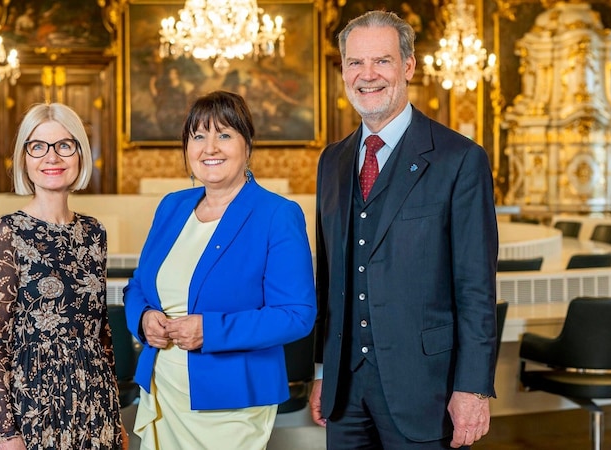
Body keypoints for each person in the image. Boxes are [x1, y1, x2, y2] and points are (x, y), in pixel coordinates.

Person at [310, 10, 499, 450]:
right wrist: (323, 370)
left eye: (382, 61)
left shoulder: (459, 158)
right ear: (343, 70)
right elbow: (330, 280)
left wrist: (472, 389)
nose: (367, 75)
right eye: (355, 63)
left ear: (408, 66)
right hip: (345, 392)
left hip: (425, 388)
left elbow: (476, 286)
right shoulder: (331, 161)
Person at [123, 90, 317, 450]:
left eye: (224, 135)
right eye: (198, 136)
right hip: (163, 389)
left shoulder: (276, 214)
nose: (210, 148)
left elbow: (297, 315)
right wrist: (144, 318)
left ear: (247, 145)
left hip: (232, 403)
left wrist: (209, 330)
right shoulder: (172, 207)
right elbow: (137, 285)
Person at [0, 103, 128, 450]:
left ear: (79, 154)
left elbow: (102, 334)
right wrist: (5, 433)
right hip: (34, 404)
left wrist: (117, 416)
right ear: (25, 159)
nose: (52, 157)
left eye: (65, 145)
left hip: (95, 402)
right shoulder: (8, 232)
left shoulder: (95, 232)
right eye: (38, 147)